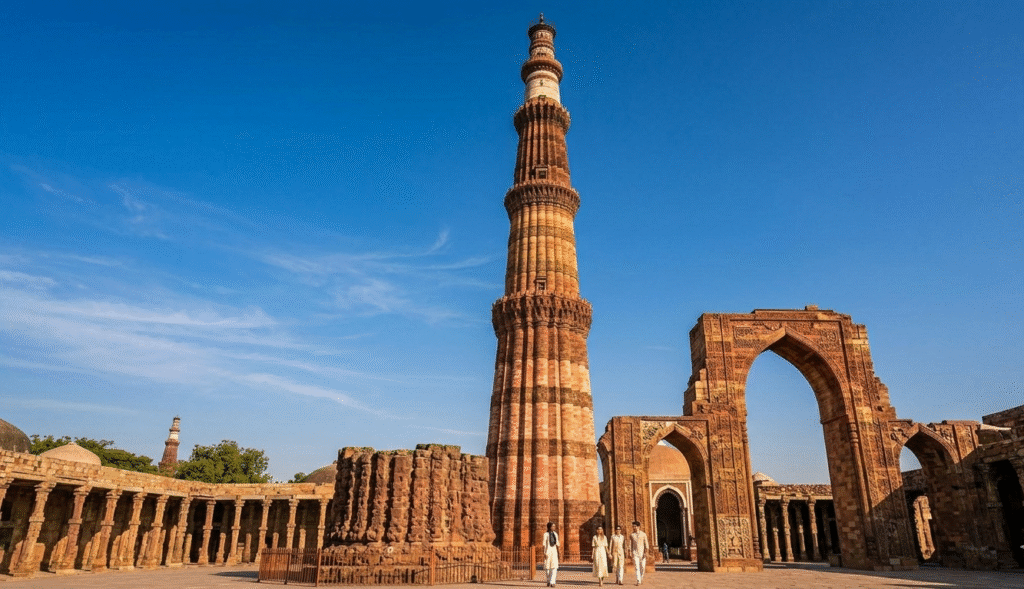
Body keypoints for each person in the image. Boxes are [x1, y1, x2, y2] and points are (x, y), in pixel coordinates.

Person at [629, 521, 649, 586]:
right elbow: (630, 545)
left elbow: (646, 545)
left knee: (642, 567)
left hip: (642, 552)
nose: (634, 528)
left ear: (638, 527)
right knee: (637, 567)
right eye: (633, 526)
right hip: (635, 553)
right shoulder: (632, 535)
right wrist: (630, 552)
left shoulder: (643, 534)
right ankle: (638, 580)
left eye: (635, 526)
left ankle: (641, 578)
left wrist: (646, 552)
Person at [543, 522, 559, 587]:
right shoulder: (546, 534)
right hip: (547, 551)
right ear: (549, 527)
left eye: (554, 526)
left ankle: (552, 582)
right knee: (547, 568)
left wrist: (558, 553)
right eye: (552, 526)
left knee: (554, 567)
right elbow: (544, 544)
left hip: (554, 552)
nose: (554, 528)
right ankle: (548, 580)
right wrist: (544, 552)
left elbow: (557, 544)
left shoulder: (555, 534)